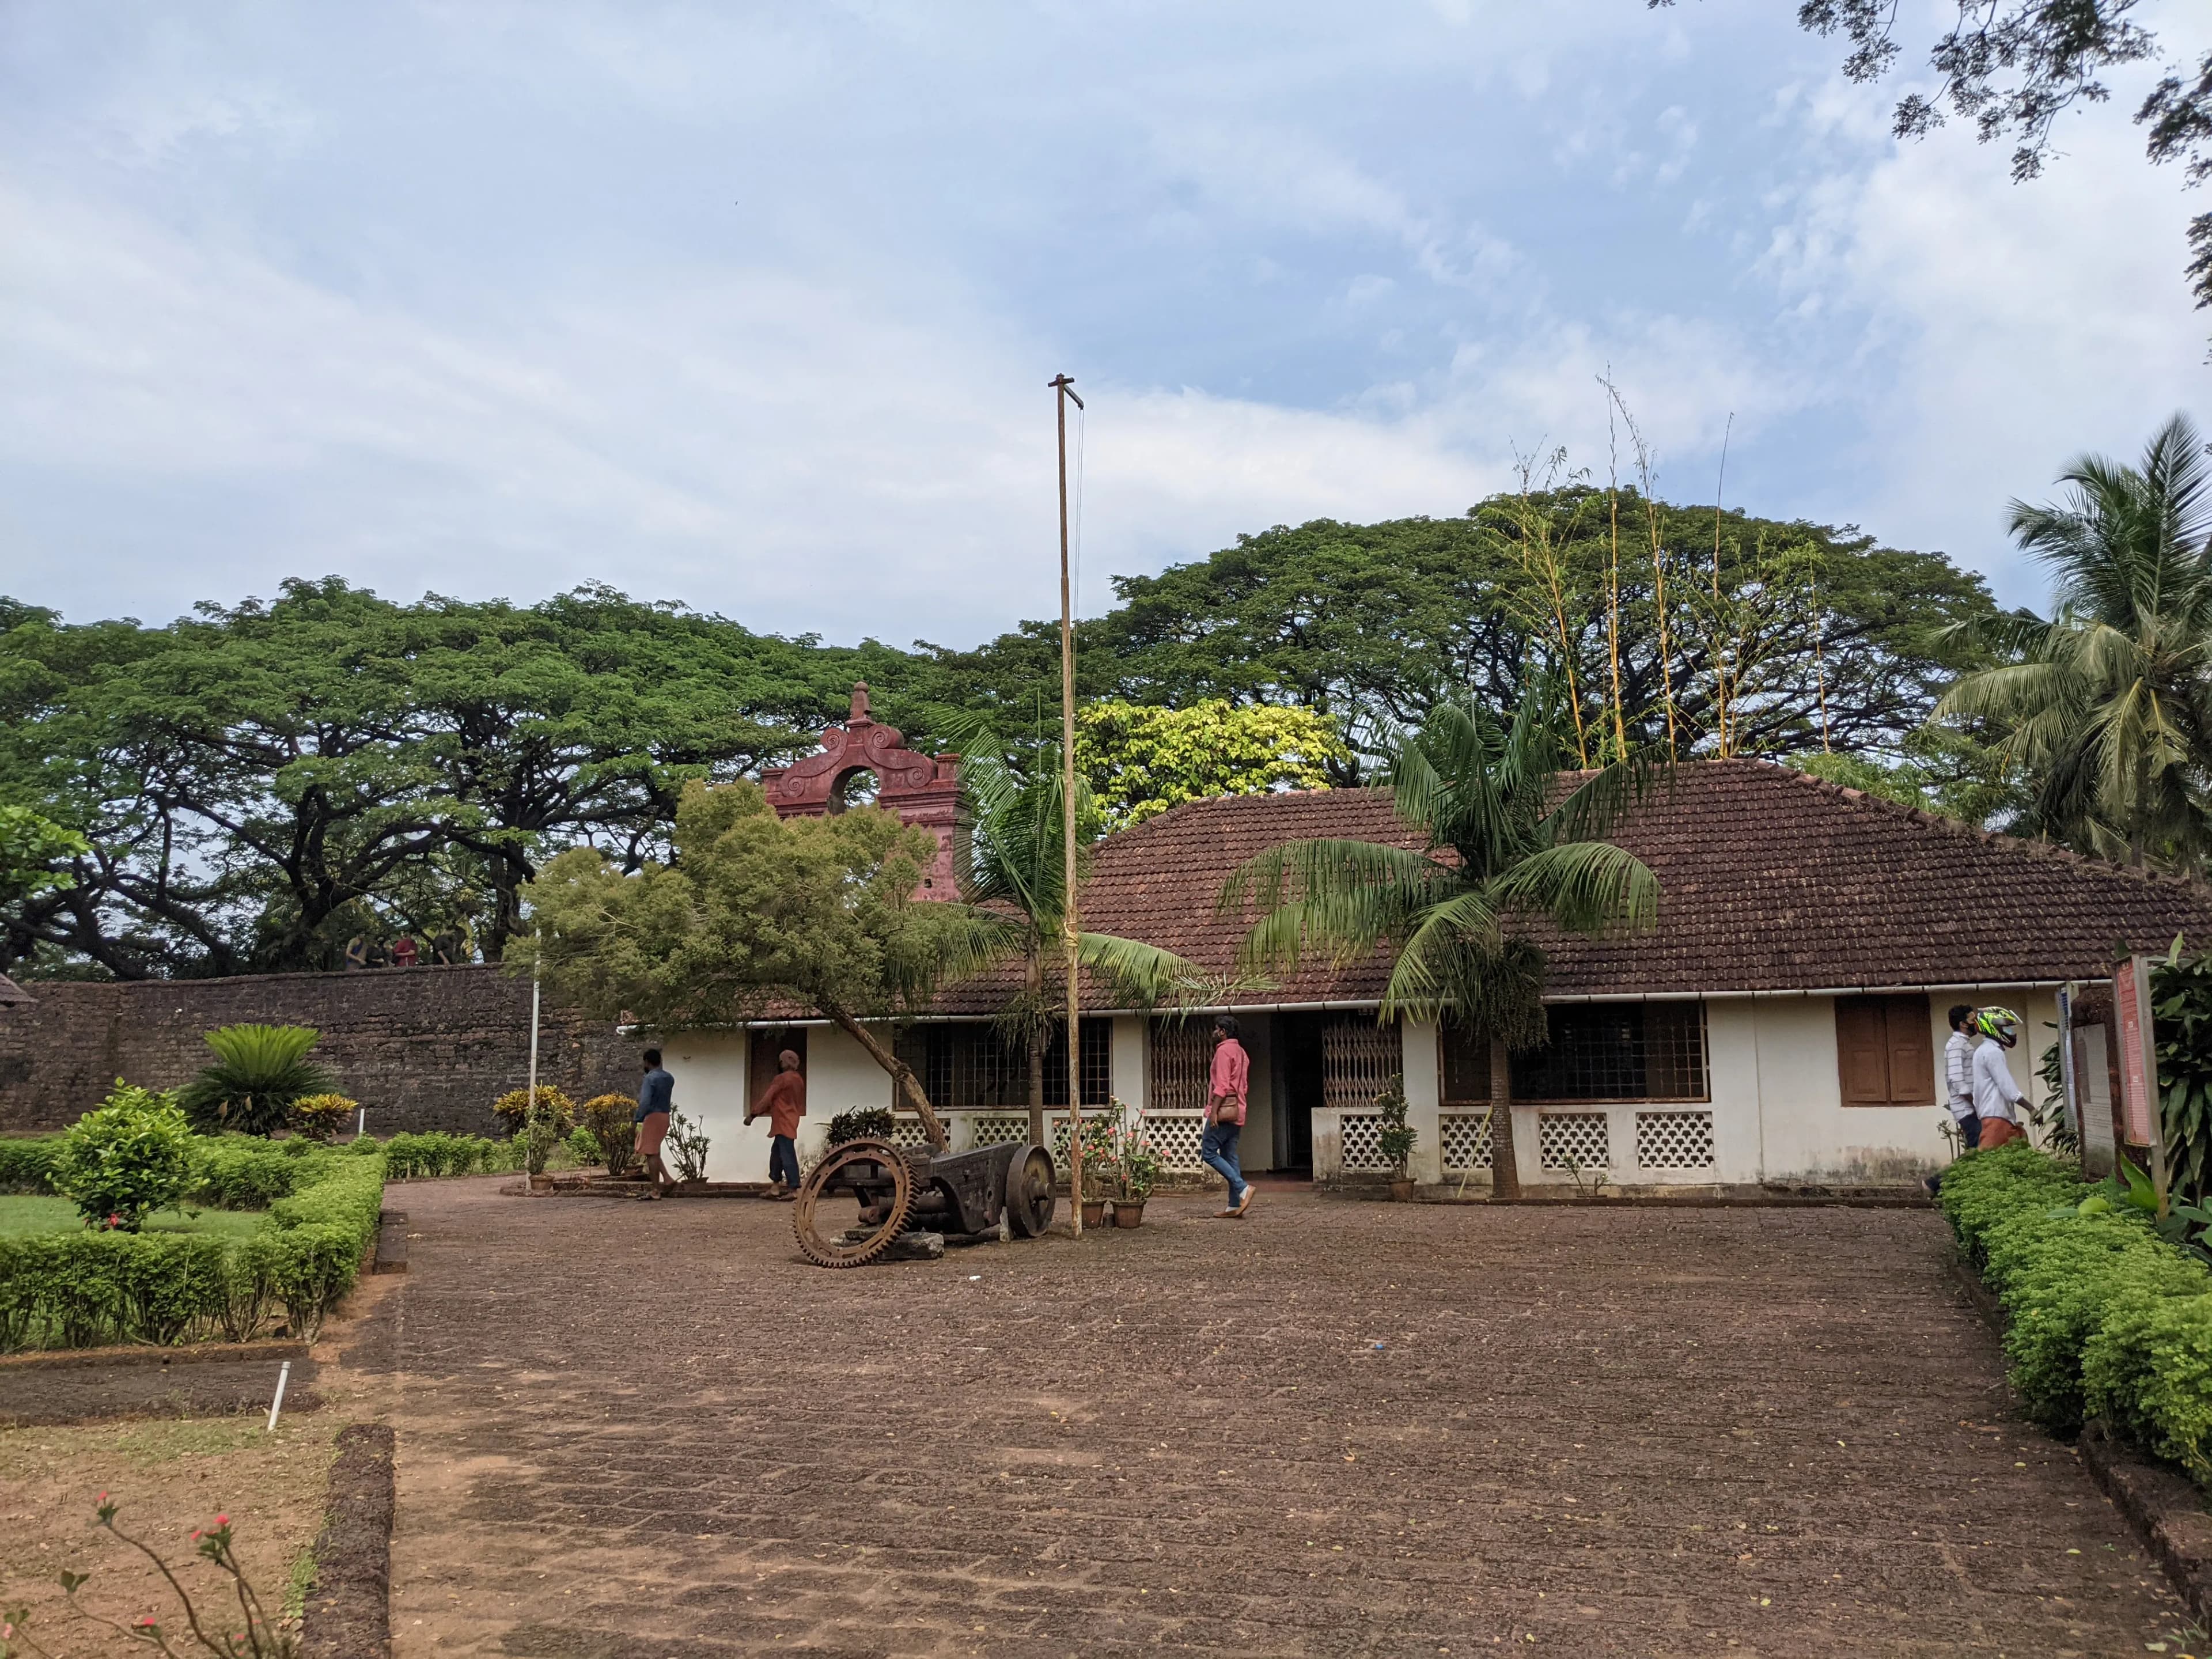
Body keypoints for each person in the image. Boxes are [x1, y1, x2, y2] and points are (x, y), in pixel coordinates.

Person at [1201, 1015, 1253, 1219]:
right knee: (1230, 1156)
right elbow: (1244, 1084)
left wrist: (1213, 1112)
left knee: (1208, 1152)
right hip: (1238, 1109)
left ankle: (1242, 1188)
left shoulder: (1223, 1052)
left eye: (1216, 1029)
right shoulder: (1242, 1052)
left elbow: (1221, 1086)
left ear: (1223, 1031)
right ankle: (1234, 1205)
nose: (1214, 1033)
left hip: (1223, 1111)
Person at [746, 1050, 806, 1199]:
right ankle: (775, 1187)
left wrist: (753, 1114)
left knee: (787, 1154)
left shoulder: (782, 1079)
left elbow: (768, 1098)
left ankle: (794, 1189)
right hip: (792, 1119)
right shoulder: (798, 1079)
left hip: (782, 1121)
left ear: (786, 1062)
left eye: (781, 1061)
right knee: (777, 1154)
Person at [1970, 1007, 2028, 1150]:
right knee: (1988, 1163)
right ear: (1993, 1029)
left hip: (1994, 1116)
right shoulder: (1993, 1052)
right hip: (1997, 1117)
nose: (2011, 1032)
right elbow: (2008, 1088)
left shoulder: (1984, 1050)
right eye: (2007, 1028)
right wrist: (2032, 1109)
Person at [634, 1048, 677, 1199]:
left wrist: (637, 1119)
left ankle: (656, 1190)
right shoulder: (669, 1078)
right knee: (655, 1151)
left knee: (650, 1154)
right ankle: (667, 1178)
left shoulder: (650, 1078)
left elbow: (645, 1102)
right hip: (665, 1115)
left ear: (647, 1062)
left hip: (652, 1116)